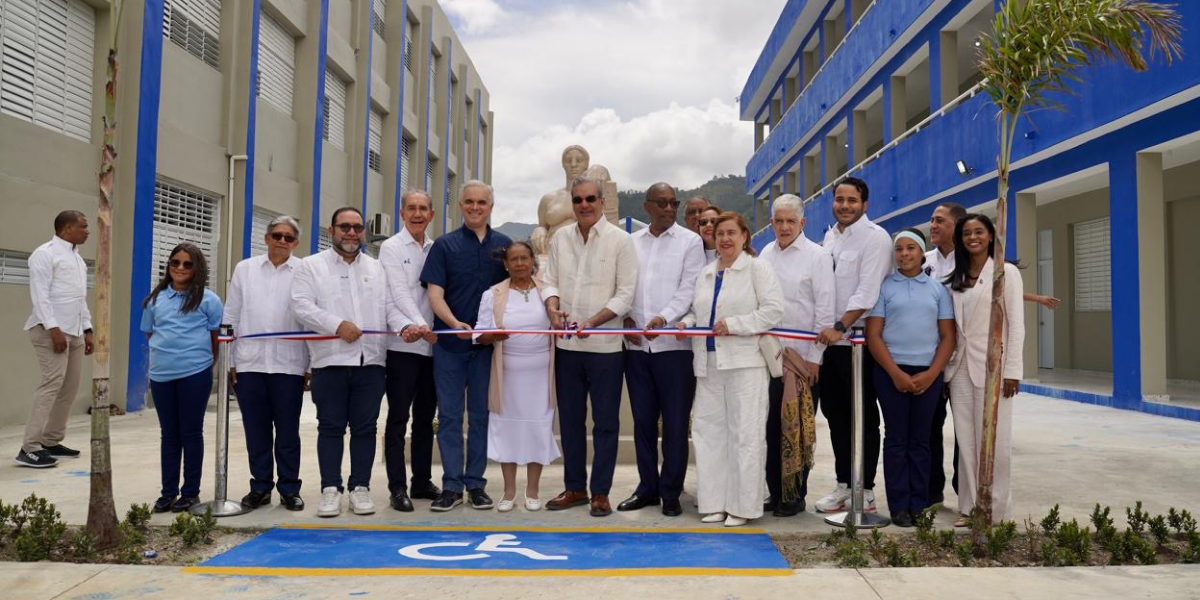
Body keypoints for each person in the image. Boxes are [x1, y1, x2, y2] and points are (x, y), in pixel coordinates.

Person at [293, 207, 403, 518]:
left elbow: (390, 308)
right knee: (330, 427)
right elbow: (301, 305)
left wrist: (408, 327)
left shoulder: (377, 268)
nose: (351, 233)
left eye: (357, 227)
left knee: (366, 428)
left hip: (371, 362)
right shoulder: (310, 267)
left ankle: (360, 488)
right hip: (330, 361)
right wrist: (336, 324)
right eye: (344, 227)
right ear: (331, 231)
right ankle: (331, 489)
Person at [676, 212, 783, 527]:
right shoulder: (707, 272)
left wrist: (735, 325)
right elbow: (700, 312)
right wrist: (686, 323)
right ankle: (714, 502)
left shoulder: (758, 268)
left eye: (731, 232)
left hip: (745, 364)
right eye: (719, 233)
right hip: (708, 365)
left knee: (745, 434)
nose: (724, 238)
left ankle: (743, 506)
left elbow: (773, 310)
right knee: (708, 434)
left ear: (745, 236)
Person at [543, 176, 638, 517]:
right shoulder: (560, 239)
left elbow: (625, 295)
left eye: (590, 199)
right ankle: (574, 488)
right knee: (569, 421)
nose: (584, 205)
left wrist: (594, 322)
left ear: (601, 202)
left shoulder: (621, 241)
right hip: (567, 348)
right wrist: (553, 308)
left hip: (606, 349)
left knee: (606, 423)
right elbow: (549, 281)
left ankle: (600, 492)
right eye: (578, 200)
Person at [421, 181, 512, 511]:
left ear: (491, 205)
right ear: (460, 205)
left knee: (480, 416)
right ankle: (451, 485)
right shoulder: (443, 246)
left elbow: (515, 289)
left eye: (482, 202)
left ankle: (476, 483)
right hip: (450, 347)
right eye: (469, 202)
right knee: (448, 417)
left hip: (487, 350)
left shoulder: (504, 246)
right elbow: (434, 294)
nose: (476, 207)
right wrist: (452, 323)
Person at [619, 183, 705, 517]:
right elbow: (624, 286)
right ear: (647, 206)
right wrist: (627, 318)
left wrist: (664, 319)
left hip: (674, 349)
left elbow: (688, 290)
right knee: (642, 422)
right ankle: (647, 488)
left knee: (674, 425)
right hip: (637, 349)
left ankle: (670, 492)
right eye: (662, 203)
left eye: (674, 203)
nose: (669, 208)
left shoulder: (691, 242)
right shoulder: (631, 243)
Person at [866, 228, 955, 527]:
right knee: (896, 439)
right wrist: (895, 373)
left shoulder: (938, 290)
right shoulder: (884, 287)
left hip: (927, 374)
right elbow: (873, 334)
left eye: (910, 248)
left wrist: (932, 374)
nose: (904, 254)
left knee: (921, 441)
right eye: (899, 249)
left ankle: (919, 503)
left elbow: (947, 337)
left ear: (921, 252)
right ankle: (899, 506)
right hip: (890, 372)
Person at [814, 177, 892, 514]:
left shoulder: (876, 238)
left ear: (865, 204)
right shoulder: (830, 237)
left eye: (852, 200)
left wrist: (841, 325)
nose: (845, 205)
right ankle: (845, 485)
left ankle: (867, 490)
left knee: (862, 417)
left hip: (857, 344)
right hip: (828, 344)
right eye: (839, 199)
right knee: (834, 416)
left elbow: (868, 290)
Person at [224, 216, 309, 511]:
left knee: (287, 432)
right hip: (250, 364)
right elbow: (231, 316)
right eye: (276, 235)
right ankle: (260, 486)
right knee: (256, 430)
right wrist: (230, 360)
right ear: (266, 237)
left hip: (289, 365)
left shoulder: (304, 271)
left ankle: (289, 488)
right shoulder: (245, 270)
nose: (281, 241)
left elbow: (309, 320)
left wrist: (309, 366)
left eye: (288, 237)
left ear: (296, 243)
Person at [945, 214, 1024, 526]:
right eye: (966, 233)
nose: (972, 237)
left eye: (979, 232)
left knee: (996, 441)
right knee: (965, 439)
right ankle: (969, 507)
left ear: (991, 236)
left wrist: (1012, 370)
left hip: (995, 367)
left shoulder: (1007, 272)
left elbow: (1016, 324)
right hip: (960, 366)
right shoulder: (959, 274)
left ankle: (996, 510)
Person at [758, 195, 835, 517]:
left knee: (797, 429)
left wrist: (816, 356)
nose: (785, 227)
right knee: (770, 429)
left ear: (802, 223)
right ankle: (775, 493)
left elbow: (826, 309)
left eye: (791, 221)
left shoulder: (817, 256)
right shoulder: (765, 255)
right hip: (770, 357)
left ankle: (794, 495)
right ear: (772, 223)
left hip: (804, 361)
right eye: (779, 221)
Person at [473, 241, 561, 512]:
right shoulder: (494, 294)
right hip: (507, 373)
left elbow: (559, 322)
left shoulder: (547, 291)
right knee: (507, 430)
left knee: (537, 428)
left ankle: (532, 491)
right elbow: (479, 333)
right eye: (514, 259)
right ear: (506, 264)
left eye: (525, 258)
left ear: (533, 260)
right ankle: (509, 492)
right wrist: (492, 336)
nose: (520, 264)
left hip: (540, 372)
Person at [141, 243, 223, 513]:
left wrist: (201, 363)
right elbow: (150, 333)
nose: (180, 268)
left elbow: (215, 339)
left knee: (190, 432)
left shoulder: (209, 300)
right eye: (175, 262)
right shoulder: (155, 299)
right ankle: (167, 493)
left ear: (197, 268)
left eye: (187, 264)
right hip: (161, 376)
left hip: (194, 374)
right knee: (169, 434)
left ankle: (190, 493)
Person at [378, 190, 442, 512]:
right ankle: (397, 487)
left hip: (431, 349)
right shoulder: (390, 248)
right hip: (402, 345)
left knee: (424, 420)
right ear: (402, 213)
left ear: (431, 214)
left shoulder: (435, 248)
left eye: (423, 209)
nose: (417, 213)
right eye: (411, 208)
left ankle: (420, 481)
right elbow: (397, 296)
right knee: (398, 419)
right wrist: (417, 326)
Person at [18, 211, 94, 468]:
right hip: (50, 332)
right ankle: (29, 447)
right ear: (67, 228)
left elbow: (79, 298)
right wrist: (53, 328)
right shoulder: (45, 254)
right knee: (51, 385)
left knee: (69, 389)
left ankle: (51, 440)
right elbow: (40, 296)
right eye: (83, 226)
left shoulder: (77, 259)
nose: (88, 231)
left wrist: (88, 329)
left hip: (74, 333)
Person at [924, 202, 966, 508]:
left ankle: (966, 490)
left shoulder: (975, 263)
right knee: (929, 426)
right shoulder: (923, 262)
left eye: (939, 221)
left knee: (966, 431)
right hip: (930, 360)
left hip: (964, 360)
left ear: (957, 225)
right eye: (931, 221)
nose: (933, 226)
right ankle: (931, 492)